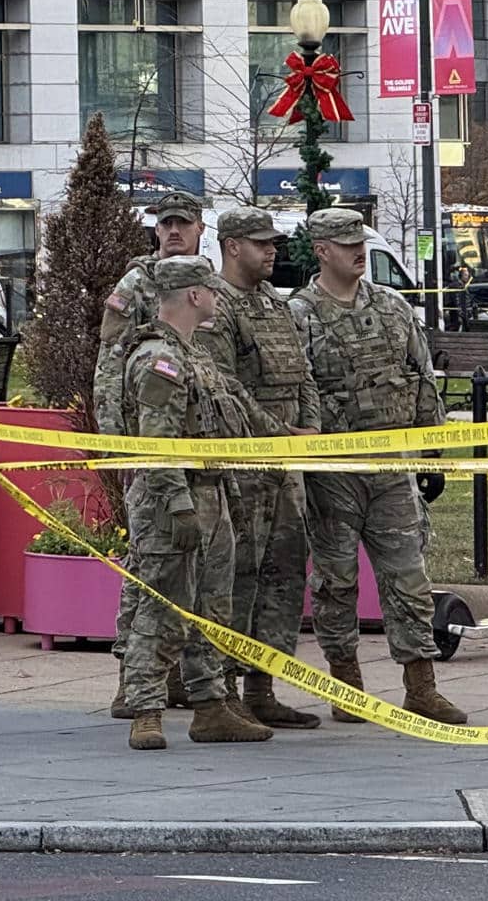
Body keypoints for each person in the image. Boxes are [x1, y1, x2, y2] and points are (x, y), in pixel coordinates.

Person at [290, 208, 468, 726]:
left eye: (360, 241)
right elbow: (296, 394)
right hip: (333, 475)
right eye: (346, 243)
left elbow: (420, 376)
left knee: (408, 578)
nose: (358, 250)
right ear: (322, 250)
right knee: (336, 582)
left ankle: (421, 685)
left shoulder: (393, 308)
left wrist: (431, 448)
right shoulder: (300, 314)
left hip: (391, 471)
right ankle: (346, 684)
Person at [122, 256, 289, 751]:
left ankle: (211, 705)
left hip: (213, 494)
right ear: (194, 295)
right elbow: (158, 442)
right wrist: (177, 505)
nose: (217, 298)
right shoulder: (160, 360)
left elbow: (237, 411)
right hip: (172, 500)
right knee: (164, 606)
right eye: (211, 290)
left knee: (214, 608)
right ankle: (146, 709)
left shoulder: (195, 355)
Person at [196, 208, 322, 730]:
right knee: (237, 577)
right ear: (231, 246)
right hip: (244, 466)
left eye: (274, 243)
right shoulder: (213, 308)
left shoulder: (278, 307)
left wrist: (309, 429)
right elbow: (224, 387)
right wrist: (279, 432)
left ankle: (262, 686)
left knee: (285, 576)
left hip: (286, 466)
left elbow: (304, 373)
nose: (272, 251)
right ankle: (222, 693)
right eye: (261, 243)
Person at [95, 187, 205, 720]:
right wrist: (122, 447)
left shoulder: (209, 286)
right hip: (150, 443)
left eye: (183, 223)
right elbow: (110, 367)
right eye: (166, 225)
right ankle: (130, 678)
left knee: (192, 573)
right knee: (149, 565)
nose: (174, 231)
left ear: (200, 227)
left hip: (199, 450)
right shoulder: (137, 285)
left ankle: (178, 676)